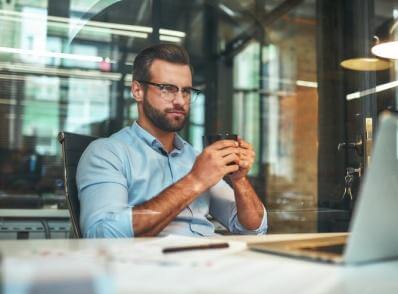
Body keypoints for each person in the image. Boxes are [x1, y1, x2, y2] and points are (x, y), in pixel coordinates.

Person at [77, 43, 267, 238]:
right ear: (137, 91)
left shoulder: (195, 157)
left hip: (210, 259)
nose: (180, 101)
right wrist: (195, 180)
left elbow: (252, 228)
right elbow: (101, 234)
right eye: (167, 89)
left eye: (185, 91)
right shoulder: (106, 153)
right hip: (154, 264)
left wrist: (239, 179)